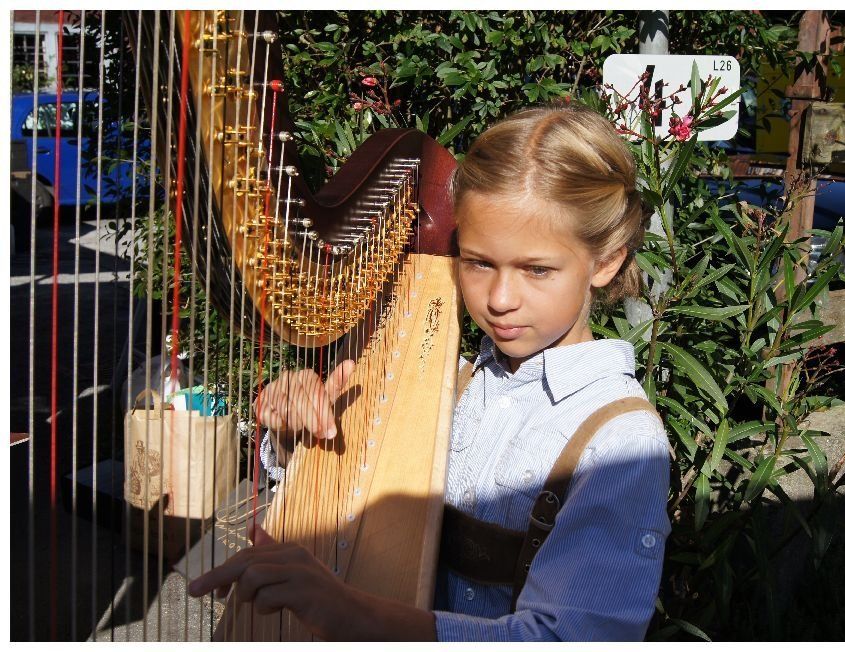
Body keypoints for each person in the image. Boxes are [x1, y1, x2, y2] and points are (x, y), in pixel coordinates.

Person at [188, 102, 671, 641]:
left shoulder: (620, 442)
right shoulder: (451, 382)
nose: (500, 298)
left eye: (536, 269)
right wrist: (294, 436)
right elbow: (344, 504)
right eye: (478, 262)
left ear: (605, 261)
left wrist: (348, 611)